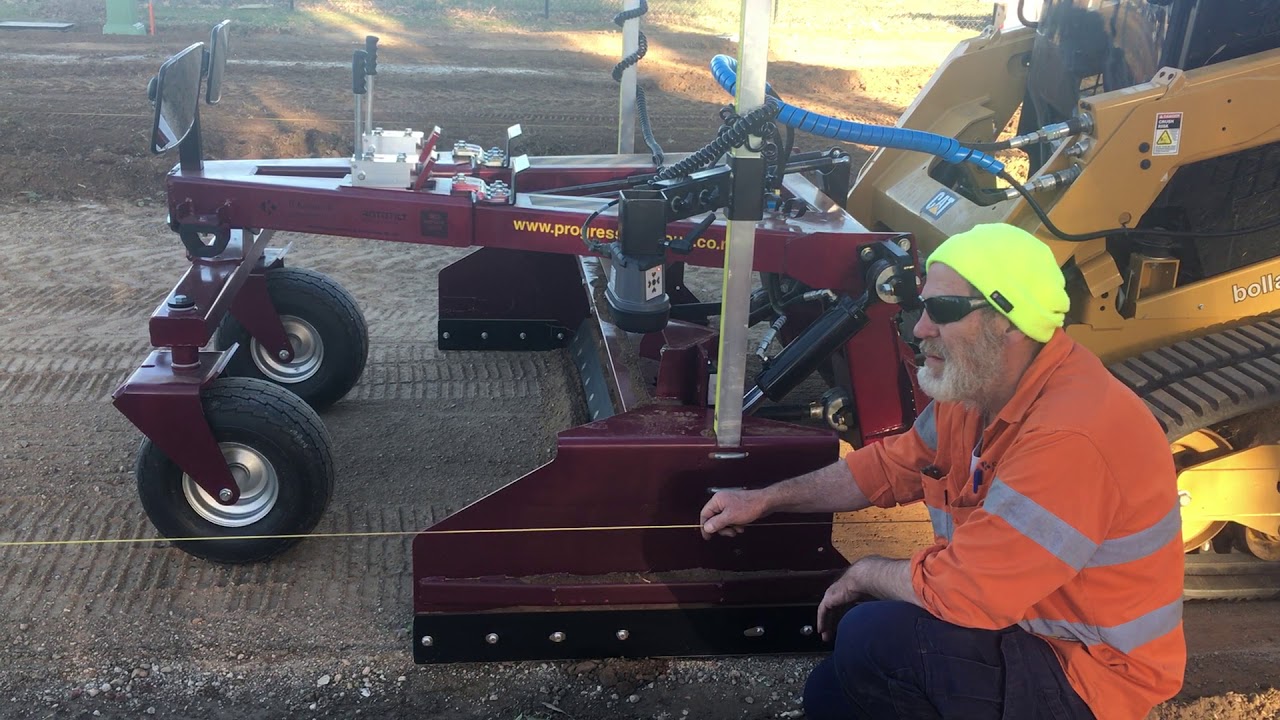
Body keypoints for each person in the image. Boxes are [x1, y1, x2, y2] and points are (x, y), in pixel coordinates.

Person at [700, 223, 1185, 720]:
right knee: (832, 691)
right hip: (1021, 625)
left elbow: (970, 591)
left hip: (1089, 677)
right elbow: (888, 467)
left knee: (872, 636)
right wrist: (766, 498)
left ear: (1009, 322)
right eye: (922, 306)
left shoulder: (1071, 436)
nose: (920, 328)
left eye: (944, 311)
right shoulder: (977, 392)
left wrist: (867, 571)